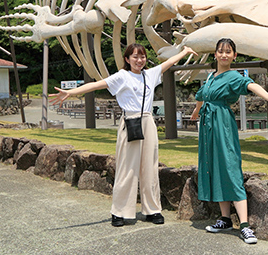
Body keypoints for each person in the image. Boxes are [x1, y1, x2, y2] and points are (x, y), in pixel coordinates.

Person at [50, 43, 197, 227]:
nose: (139, 60)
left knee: (150, 168)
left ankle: (152, 209)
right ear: (127, 59)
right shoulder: (122, 76)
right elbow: (97, 84)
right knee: (127, 168)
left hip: (148, 121)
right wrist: (70, 93)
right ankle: (119, 212)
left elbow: (168, 63)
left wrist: (184, 51)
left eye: (142, 56)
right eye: (135, 57)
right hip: (130, 122)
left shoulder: (149, 74)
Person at [189, 38, 268, 244]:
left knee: (231, 166)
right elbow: (201, 95)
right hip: (208, 126)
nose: (224, 55)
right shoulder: (210, 77)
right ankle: (225, 219)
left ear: (234, 56)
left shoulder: (233, 76)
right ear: (215, 55)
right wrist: (197, 110)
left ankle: (244, 225)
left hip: (222, 124)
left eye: (228, 51)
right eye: (220, 51)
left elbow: (250, 85)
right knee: (215, 167)